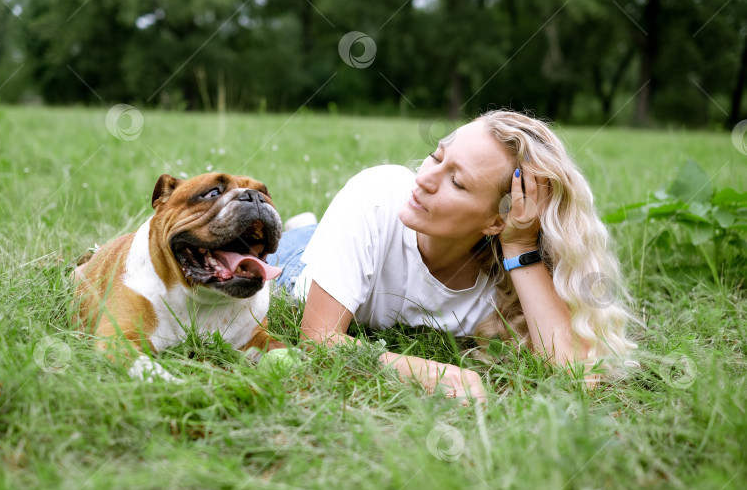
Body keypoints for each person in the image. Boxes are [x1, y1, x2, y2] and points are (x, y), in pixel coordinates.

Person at [266, 110, 637, 402]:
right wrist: (432, 372)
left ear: (496, 220)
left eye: (457, 182)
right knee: (293, 246)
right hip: (302, 264)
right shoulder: (376, 193)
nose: (424, 178)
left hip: (367, 249)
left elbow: (574, 373)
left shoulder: (507, 269)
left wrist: (520, 246)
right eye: (436, 156)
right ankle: (312, 227)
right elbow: (318, 340)